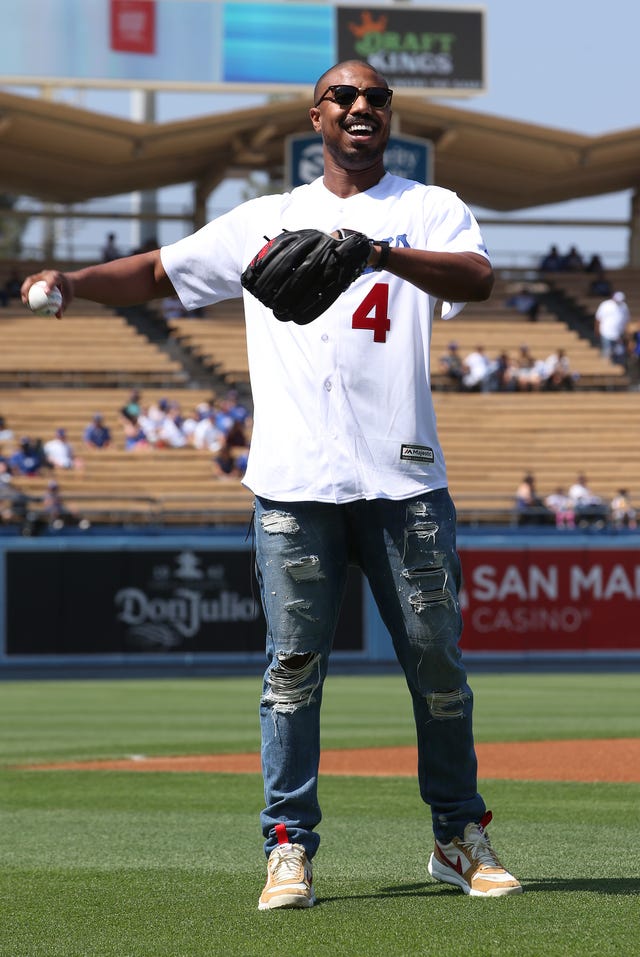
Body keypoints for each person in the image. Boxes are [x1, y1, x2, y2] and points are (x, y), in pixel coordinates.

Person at [21, 59, 521, 906]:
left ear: (388, 116)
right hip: (294, 484)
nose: (361, 106)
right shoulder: (265, 219)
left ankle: (457, 834)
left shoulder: (427, 207)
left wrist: (379, 252)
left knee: (438, 667)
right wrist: (72, 281)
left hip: (405, 482)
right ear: (315, 116)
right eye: (343, 96)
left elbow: (478, 277)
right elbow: (159, 272)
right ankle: (287, 845)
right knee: (291, 670)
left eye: (376, 98)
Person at [594, 291, 630, 362]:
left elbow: (626, 320)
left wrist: (624, 331)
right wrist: (597, 329)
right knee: (607, 350)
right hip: (605, 331)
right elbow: (598, 318)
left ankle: (615, 364)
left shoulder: (624, 306)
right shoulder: (605, 305)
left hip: (618, 333)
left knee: (618, 351)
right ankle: (605, 364)